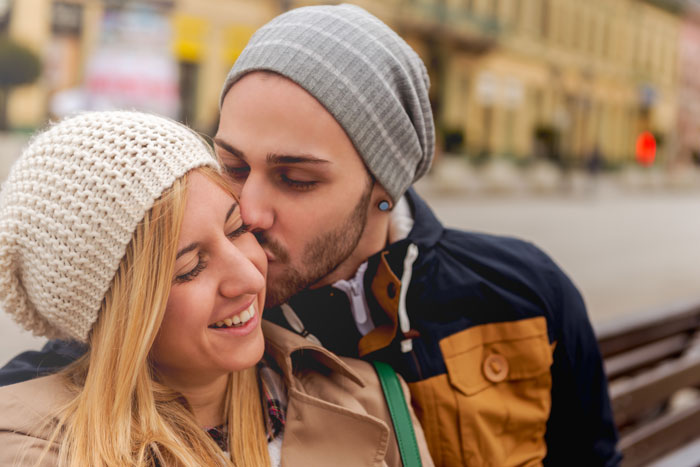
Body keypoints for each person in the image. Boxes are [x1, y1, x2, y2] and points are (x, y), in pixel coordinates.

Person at [0, 4, 619, 467]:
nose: (253, 210)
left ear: (384, 184)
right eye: (234, 167)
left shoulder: (522, 291)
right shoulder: (198, 323)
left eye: (295, 178)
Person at [0, 111, 433, 466]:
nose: (249, 277)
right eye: (189, 267)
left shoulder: (373, 400)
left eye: (239, 229)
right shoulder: (33, 446)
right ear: (114, 315)